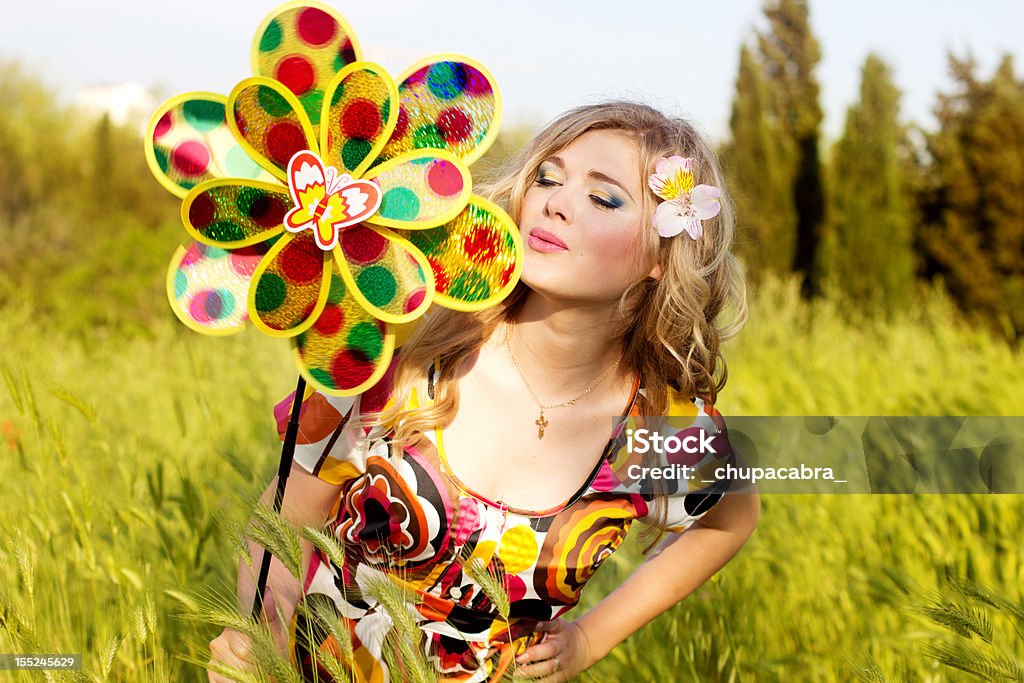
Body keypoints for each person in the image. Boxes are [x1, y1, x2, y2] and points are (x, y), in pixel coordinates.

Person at [209, 100, 760, 682]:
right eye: (547, 177)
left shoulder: (661, 432)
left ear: (661, 255)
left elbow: (732, 519)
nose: (553, 203)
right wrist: (260, 636)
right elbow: (284, 522)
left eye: (603, 197)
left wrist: (590, 640)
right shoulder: (399, 369)